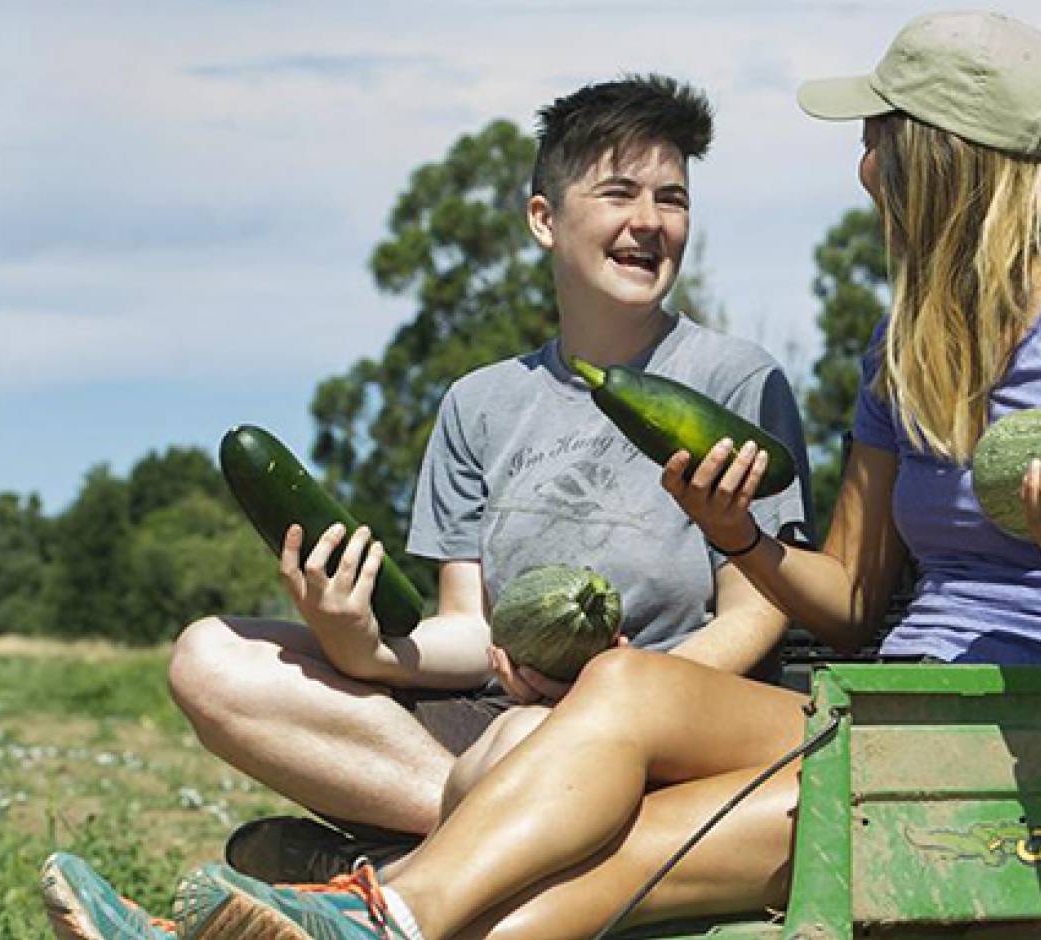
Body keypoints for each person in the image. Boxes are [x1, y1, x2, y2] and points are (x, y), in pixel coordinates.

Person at [41, 11, 1041, 940]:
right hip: (883, 707)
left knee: (599, 861)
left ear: (944, 157)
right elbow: (855, 598)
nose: (864, 168)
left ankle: (367, 914)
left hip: (1014, 742)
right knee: (620, 693)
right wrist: (744, 539)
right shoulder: (907, 342)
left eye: (880, 139)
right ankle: (361, 917)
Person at [158, 73, 812, 884]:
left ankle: (401, 873)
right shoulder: (479, 404)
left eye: (672, 199)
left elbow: (758, 617)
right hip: (504, 723)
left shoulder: (735, 380)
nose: (650, 222)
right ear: (545, 218)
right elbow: (470, 630)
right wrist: (355, 641)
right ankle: (492, 839)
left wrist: (612, 698)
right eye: (619, 193)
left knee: (520, 741)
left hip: (658, 732)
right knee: (209, 659)